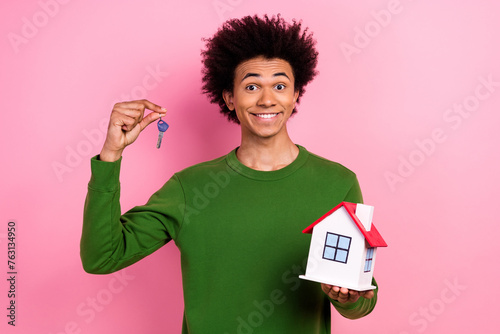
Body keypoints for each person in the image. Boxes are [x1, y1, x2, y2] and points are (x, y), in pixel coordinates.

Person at [81, 14, 378, 333]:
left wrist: (348, 297)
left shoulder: (338, 183)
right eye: (252, 86)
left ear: (295, 96)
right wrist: (110, 156)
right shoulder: (189, 188)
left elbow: (361, 300)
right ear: (230, 98)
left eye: (280, 85)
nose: (267, 99)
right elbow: (102, 257)